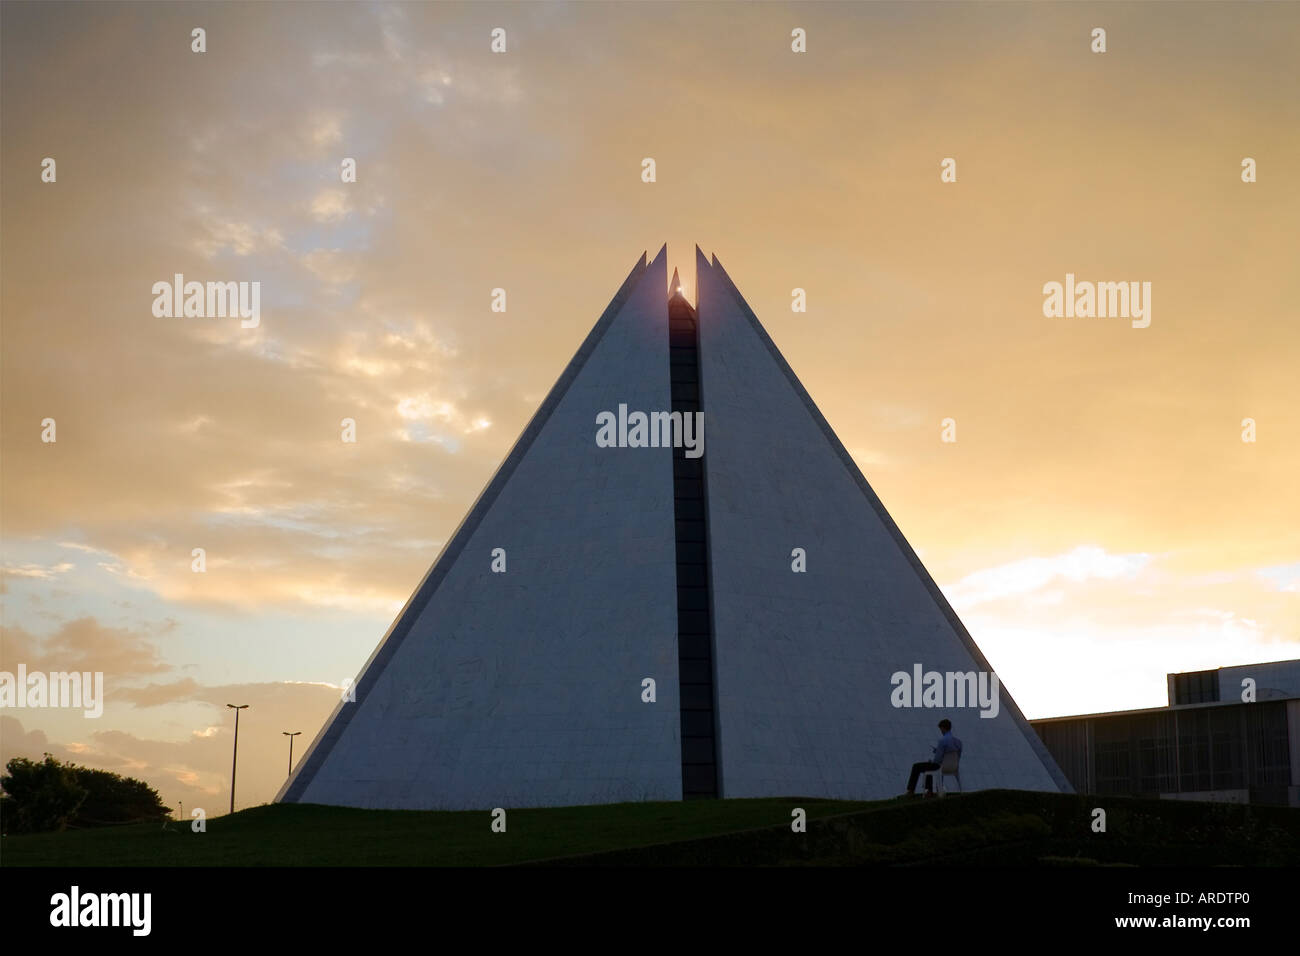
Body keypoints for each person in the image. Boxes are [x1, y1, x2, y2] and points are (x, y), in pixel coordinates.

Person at [904, 718, 962, 796]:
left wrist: (934, 757)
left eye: (941, 729)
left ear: (943, 728)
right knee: (929, 766)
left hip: (942, 767)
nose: (941, 731)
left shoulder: (942, 741)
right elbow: (958, 756)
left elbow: (938, 759)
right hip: (954, 767)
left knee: (917, 766)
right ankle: (929, 790)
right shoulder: (958, 742)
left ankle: (912, 790)